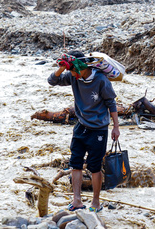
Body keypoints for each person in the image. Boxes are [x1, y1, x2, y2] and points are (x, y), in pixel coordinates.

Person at [48, 50, 120, 212]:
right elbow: (52, 81)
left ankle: (96, 202)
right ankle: (77, 200)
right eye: (71, 70)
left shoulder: (101, 80)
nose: (72, 73)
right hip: (81, 127)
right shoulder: (74, 76)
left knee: (94, 167)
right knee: (75, 164)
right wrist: (61, 68)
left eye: (74, 69)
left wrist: (115, 127)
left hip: (98, 130)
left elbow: (111, 103)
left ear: (83, 67)